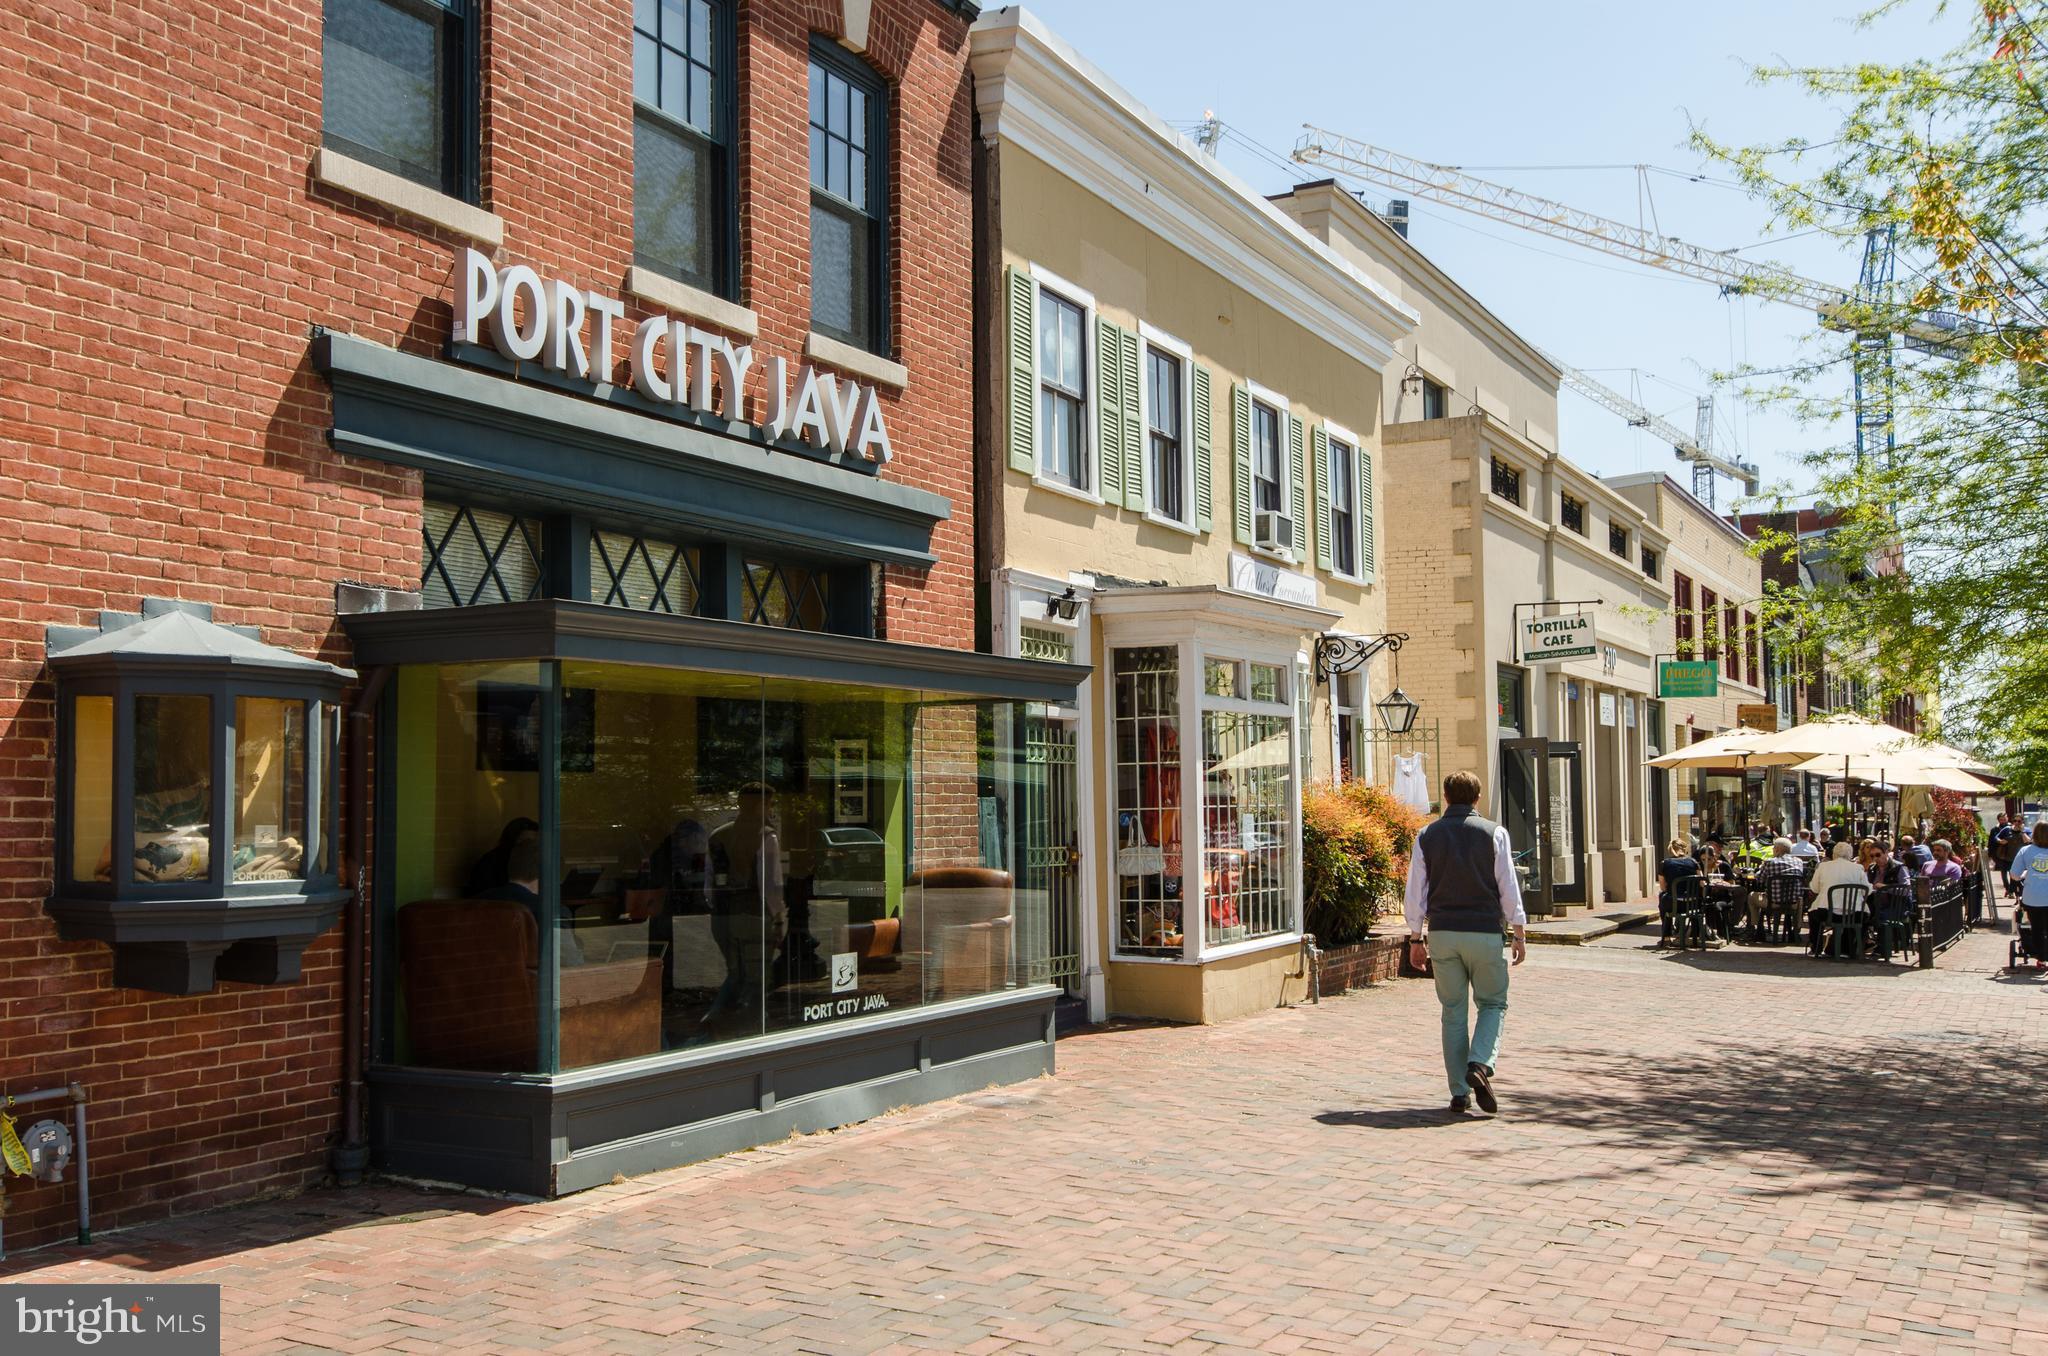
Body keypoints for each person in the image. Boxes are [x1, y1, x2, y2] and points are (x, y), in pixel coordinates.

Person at [1402, 770, 1527, 1116]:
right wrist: (1518, 931)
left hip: (1443, 933)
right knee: (1492, 1004)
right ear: (1477, 798)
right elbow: (1508, 887)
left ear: (1445, 797)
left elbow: (1416, 892)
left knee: (1453, 1013)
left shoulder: (1427, 835)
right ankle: (1480, 1062)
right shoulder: (1494, 833)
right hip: (1485, 932)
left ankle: (1459, 1091)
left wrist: (1416, 936)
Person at [705, 783, 786, 1024]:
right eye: (770, 804)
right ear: (762, 804)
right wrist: (779, 918)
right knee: (757, 976)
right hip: (753, 914)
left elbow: (708, 887)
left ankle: (717, 1017)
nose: (771, 810)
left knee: (736, 972)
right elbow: (771, 885)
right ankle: (752, 1022)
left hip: (722, 916)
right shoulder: (766, 836)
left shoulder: (717, 835)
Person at [481, 835, 583, 966]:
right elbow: (572, 962)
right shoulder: (551, 911)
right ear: (548, 873)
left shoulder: (477, 902)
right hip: (530, 984)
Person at [1808, 842, 1871, 956]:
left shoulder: (1823, 866)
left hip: (1826, 912)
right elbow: (1867, 890)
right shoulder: (1858, 868)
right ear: (1850, 855)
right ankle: (1851, 947)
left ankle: (1816, 947)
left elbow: (1814, 888)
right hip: (1853, 913)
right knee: (1865, 917)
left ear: (1834, 854)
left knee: (1813, 914)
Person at [1746, 837, 1809, 941]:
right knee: (1800, 899)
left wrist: (1760, 869)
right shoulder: (1799, 861)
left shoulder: (1770, 862)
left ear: (1778, 849)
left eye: (1774, 848)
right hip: (1793, 903)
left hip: (1773, 902)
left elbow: (1760, 879)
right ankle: (1796, 931)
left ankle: (1757, 929)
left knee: (1751, 896)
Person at [466, 816, 541, 897]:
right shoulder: (490, 862)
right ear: (512, 839)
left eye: (533, 841)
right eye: (525, 841)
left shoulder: (530, 860)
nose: (529, 846)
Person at [1656, 837, 1700, 946]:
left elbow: (1663, 887)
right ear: (1685, 849)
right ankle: (1695, 935)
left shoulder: (1664, 863)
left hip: (1673, 904)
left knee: (1662, 897)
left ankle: (1666, 936)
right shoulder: (1693, 862)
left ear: (1671, 849)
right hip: (1692, 904)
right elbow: (1701, 882)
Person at [1990, 814, 2020, 898]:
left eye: (2004, 819)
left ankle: (2011, 891)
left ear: (2007, 818)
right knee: (2003, 873)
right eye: (2001, 819)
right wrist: (2000, 841)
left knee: (2012, 873)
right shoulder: (1996, 829)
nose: (2003, 821)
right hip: (2002, 855)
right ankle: (2007, 888)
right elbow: (1993, 840)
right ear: (1998, 820)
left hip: (2013, 855)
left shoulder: (2014, 828)